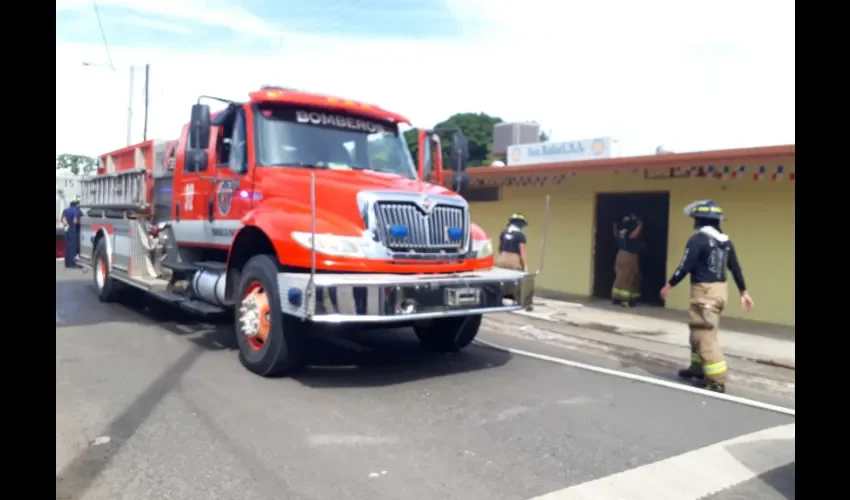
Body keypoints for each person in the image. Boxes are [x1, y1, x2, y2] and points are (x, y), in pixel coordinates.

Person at [659, 200, 754, 393]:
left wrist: (669, 284)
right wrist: (743, 291)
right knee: (698, 332)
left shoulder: (698, 240)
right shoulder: (726, 242)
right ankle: (697, 369)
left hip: (704, 293)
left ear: (699, 221)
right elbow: (735, 268)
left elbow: (685, 265)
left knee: (704, 335)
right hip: (720, 292)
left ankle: (716, 379)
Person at [611, 214, 643, 307]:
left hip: (620, 254)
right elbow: (634, 235)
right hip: (628, 255)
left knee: (619, 276)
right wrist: (640, 224)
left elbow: (615, 233)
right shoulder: (630, 230)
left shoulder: (620, 231)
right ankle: (625, 300)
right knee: (628, 277)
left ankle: (616, 298)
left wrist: (614, 224)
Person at [60, 200, 81, 268]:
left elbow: (63, 220)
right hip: (74, 230)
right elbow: (75, 221)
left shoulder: (65, 210)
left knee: (67, 246)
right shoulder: (76, 210)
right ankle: (72, 263)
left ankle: (67, 263)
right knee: (73, 246)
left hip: (66, 229)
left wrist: (67, 225)